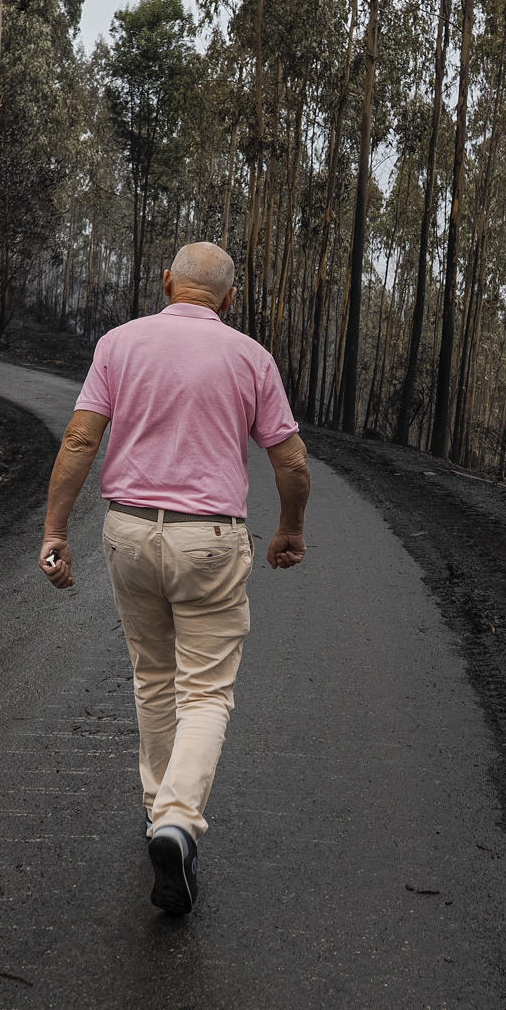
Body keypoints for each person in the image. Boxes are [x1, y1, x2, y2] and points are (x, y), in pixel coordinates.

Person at [38, 241, 310, 916]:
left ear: (166, 283)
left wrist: (54, 531)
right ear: (229, 299)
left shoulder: (119, 344)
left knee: (154, 676)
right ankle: (177, 822)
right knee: (207, 690)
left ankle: (157, 809)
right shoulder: (251, 358)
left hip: (128, 530)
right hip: (210, 540)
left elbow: (79, 441)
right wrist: (290, 527)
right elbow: (292, 461)